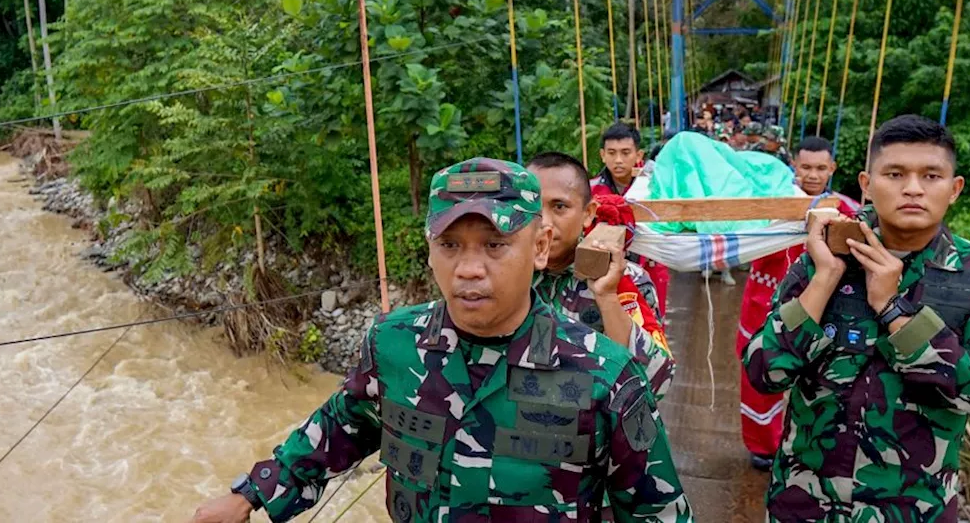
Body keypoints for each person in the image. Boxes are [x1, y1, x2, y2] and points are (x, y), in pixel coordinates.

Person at [191, 157, 692, 523]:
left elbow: (656, 511)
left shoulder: (602, 372)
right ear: (430, 251)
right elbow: (342, 425)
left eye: (495, 246)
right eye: (450, 245)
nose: (469, 269)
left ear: (538, 247)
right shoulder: (394, 344)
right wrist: (249, 496)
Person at [742, 115, 970, 521]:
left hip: (910, 510)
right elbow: (762, 372)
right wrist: (825, 278)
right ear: (865, 184)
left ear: (954, 189)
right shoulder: (824, 258)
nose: (912, 188)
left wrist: (895, 311)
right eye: (895, 173)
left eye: (931, 175)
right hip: (803, 504)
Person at [736, 136, 858, 471]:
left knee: (821, 377)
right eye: (806, 167)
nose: (814, 174)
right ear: (794, 166)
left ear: (832, 168)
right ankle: (763, 446)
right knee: (759, 369)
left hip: (823, 309)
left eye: (821, 167)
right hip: (763, 299)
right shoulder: (770, 202)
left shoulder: (846, 211)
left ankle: (813, 443)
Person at [527, 152, 675, 399]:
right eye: (534, 208)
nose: (545, 222)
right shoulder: (509, 276)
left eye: (559, 207)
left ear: (588, 214)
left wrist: (606, 297)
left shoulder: (624, 281)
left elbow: (655, 383)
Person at [591, 122, 672, 315]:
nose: (618, 160)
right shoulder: (591, 192)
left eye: (625, 153)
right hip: (605, 271)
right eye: (611, 153)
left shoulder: (655, 189)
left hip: (650, 266)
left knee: (651, 322)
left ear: (639, 155)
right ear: (602, 155)